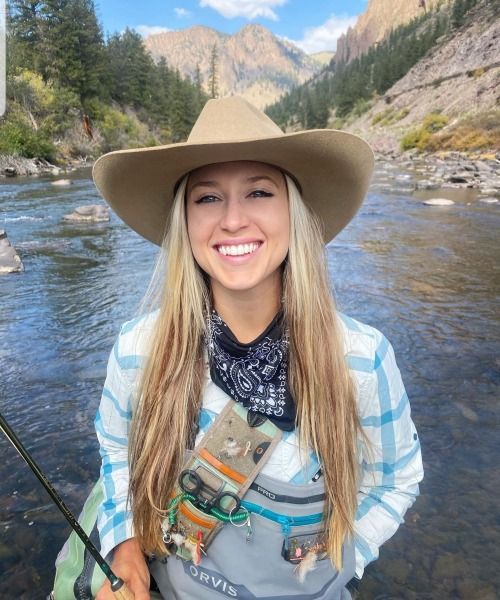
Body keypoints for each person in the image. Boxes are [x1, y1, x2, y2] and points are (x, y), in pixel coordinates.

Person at [92, 96, 424, 600]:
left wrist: (343, 560)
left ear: (294, 211)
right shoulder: (139, 349)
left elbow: (395, 481)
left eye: (260, 193)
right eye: (207, 198)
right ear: (185, 220)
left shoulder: (360, 357)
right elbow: (118, 452)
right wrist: (127, 547)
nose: (232, 220)